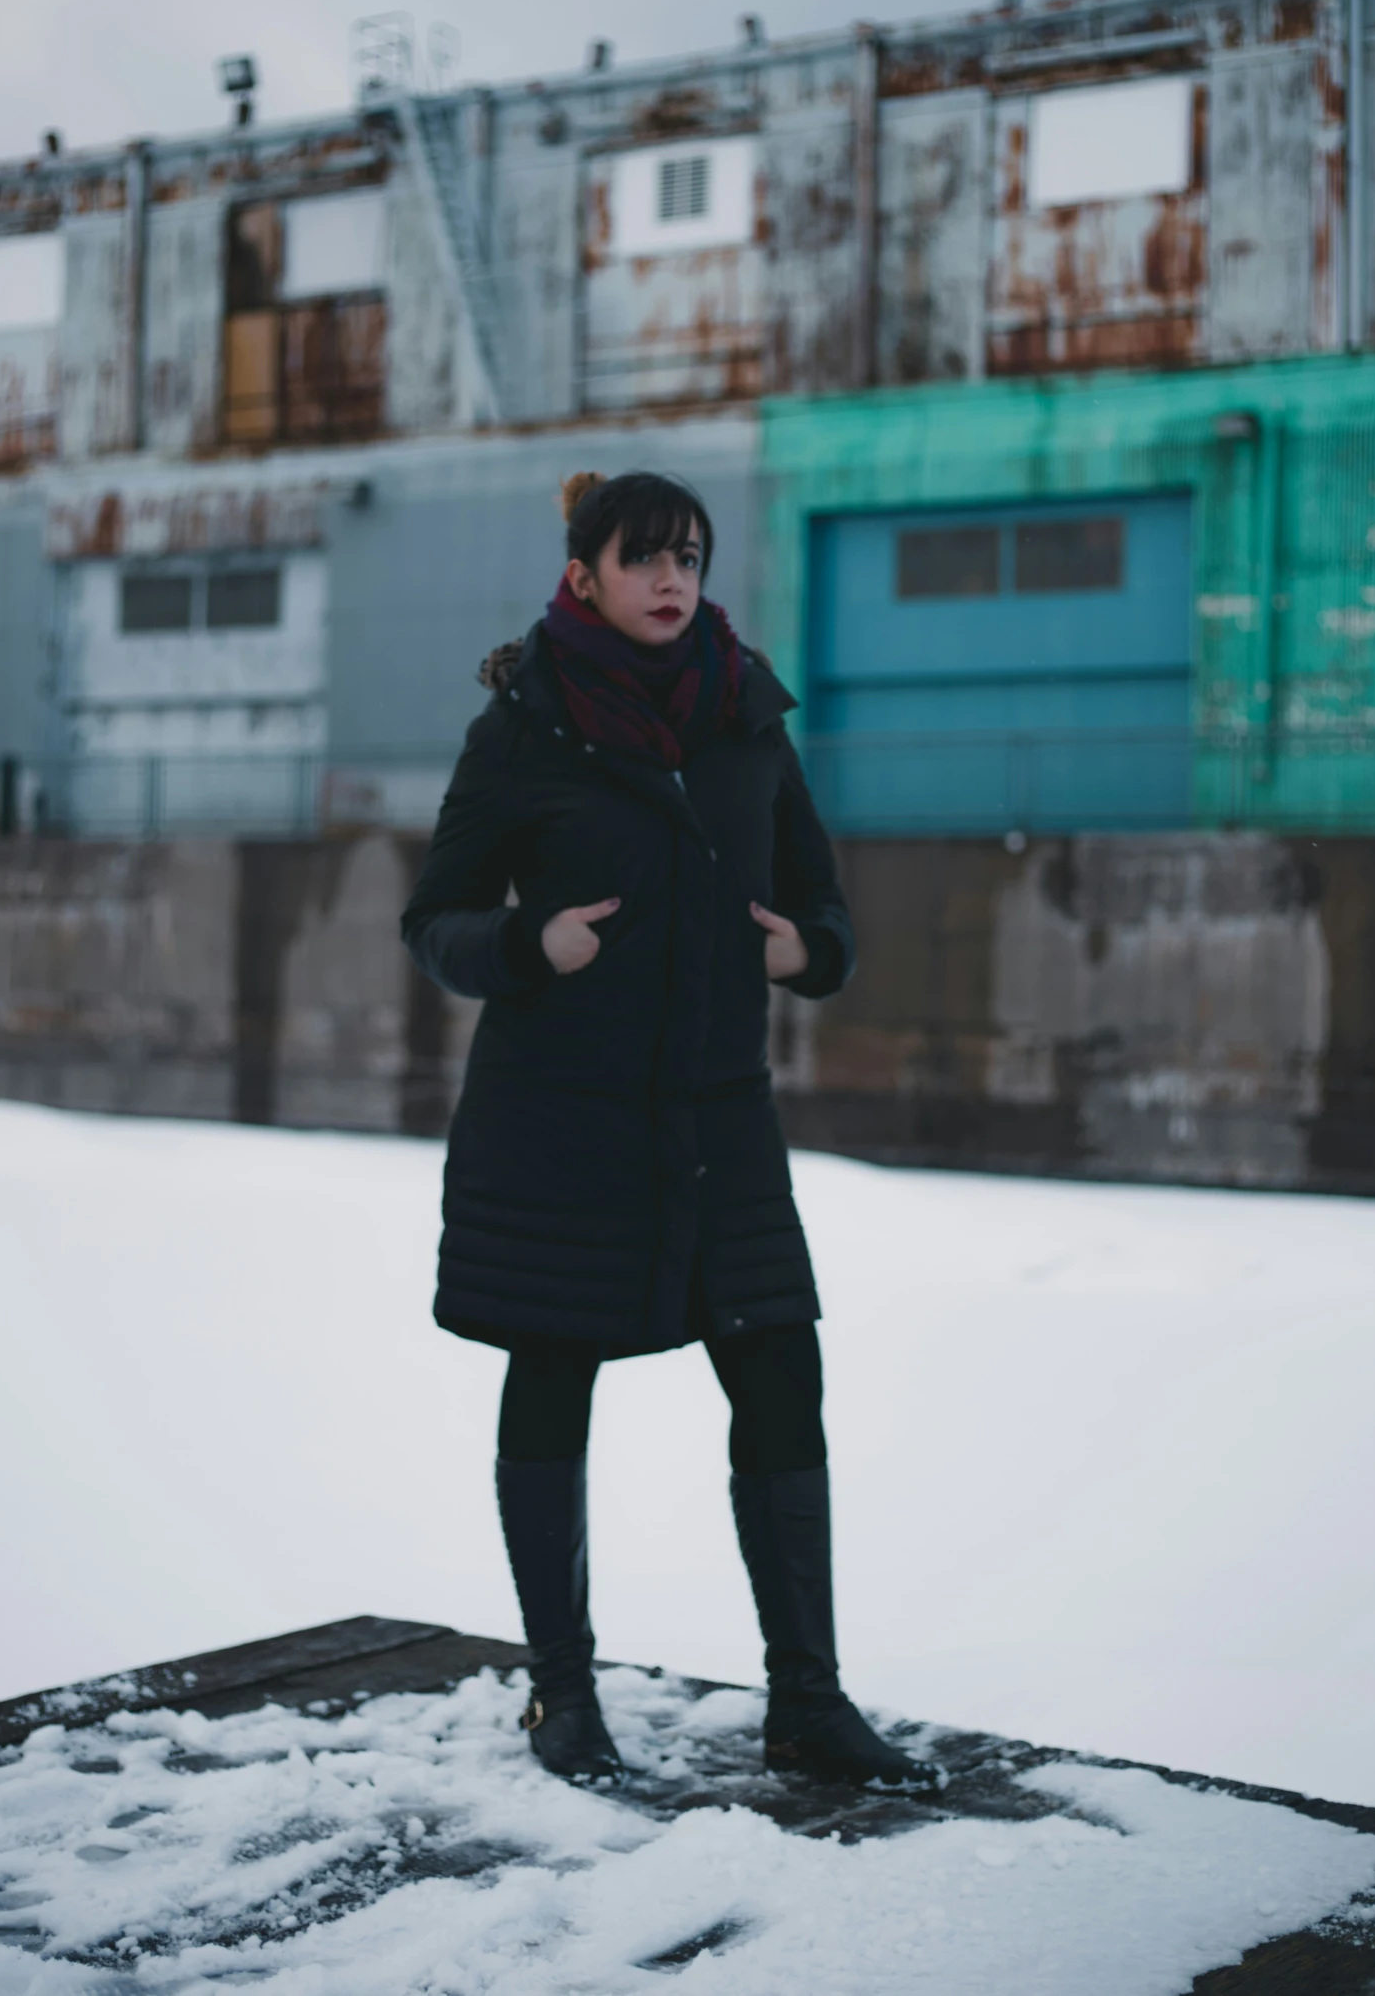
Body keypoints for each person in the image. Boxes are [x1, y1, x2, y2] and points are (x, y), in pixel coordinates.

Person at [401, 469, 926, 1790]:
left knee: (780, 1377)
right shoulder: (523, 724)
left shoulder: (745, 713)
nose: (669, 578)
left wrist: (809, 947)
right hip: (559, 1120)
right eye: (641, 557)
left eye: (686, 554)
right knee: (554, 1372)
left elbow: (819, 897)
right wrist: (532, 940)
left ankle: (806, 1697)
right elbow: (437, 920)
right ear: (582, 572)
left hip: (718, 1118)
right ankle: (561, 1696)